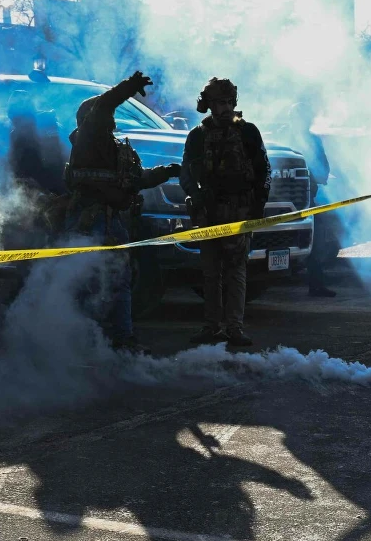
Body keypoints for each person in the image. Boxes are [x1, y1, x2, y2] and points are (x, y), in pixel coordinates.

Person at [63, 70, 179, 353]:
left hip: (112, 220)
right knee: (92, 279)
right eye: (106, 113)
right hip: (91, 221)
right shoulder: (89, 140)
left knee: (118, 280)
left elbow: (135, 178)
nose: (111, 118)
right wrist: (129, 86)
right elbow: (104, 104)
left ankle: (119, 339)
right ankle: (91, 339)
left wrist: (167, 172)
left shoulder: (113, 148)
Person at [180, 77, 269, 347]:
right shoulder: (198, 135)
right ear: (208, 105)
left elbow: (263, 171)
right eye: (220, 103)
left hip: (239, 210)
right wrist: (195, 197)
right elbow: (186, 172)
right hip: (209, 211)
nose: (226, 107)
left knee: (236, 271)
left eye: (229, 102)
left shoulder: (248, 132)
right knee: (210, 273)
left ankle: (235, 328)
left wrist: (257, 208)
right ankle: (212, 327)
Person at [287, 100, 337, 297]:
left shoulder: (310, 140)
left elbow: (324, 170)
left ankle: (316, 284)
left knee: (315, 242)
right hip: (285, 199)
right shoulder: (286, 140)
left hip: (306, 198)